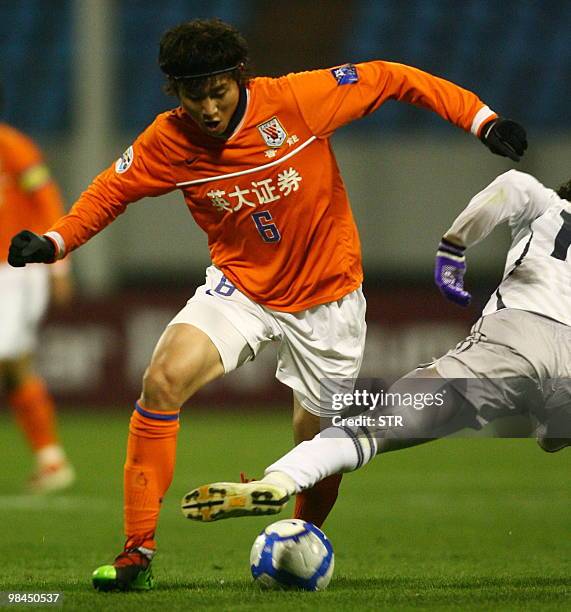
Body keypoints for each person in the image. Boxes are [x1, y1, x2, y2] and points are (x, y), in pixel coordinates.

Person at [7, 18, 527, 591]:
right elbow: (110, 191)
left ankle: (298, 540)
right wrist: (56, 241)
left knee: (318, 445)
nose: (206, 108)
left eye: (217, 91)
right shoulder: (168, 140)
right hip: (242, 289)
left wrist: (481, 119)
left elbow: (392, 77)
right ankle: (137, 552)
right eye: (192, 94)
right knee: (162, 380)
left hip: (328, 301)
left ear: (238, 77)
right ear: (174, 92)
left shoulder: (298, 100)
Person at [185, 168, 571, 521]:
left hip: (513, 339)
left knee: (374, 427)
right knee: (553, 435)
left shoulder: (549, 205)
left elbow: (513, 185)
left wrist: (454, 247)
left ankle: (279, 481)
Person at [0, 88, 75, 493]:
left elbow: (46, 198)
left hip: (17, 272)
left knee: (9, 359)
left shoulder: (12, 146)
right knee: (14, 367)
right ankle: (50, 459)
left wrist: (59, 261)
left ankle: (51, 459)